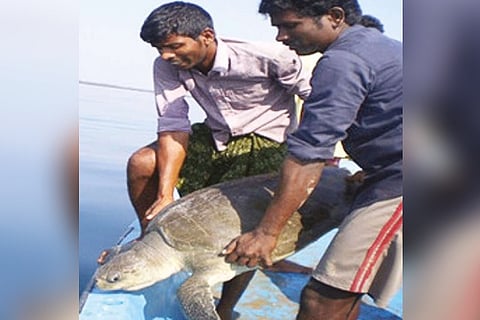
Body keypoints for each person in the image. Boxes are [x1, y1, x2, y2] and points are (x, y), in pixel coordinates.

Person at [97, 2, 313, 319]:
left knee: (244, 227)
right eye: (159, 49)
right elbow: (172, 125)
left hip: (268, 141)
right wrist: (164, 194)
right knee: (142, 163)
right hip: (215, 135)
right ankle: (152, 247)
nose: (166, 55)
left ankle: (225, 308)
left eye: (174, 46)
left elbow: (319, 100)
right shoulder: (166, 65)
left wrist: (311, 150)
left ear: (206, 36)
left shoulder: (269, 56)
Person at [223, 1, 402, 319]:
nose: (281, 36)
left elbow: (309, 154)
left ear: (334, 17)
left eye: (291, 25)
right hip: (393, 170)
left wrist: (265, 234)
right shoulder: (378, 47)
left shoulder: (343, 61)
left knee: (321, 298)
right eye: (277, 27)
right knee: (344, 290)